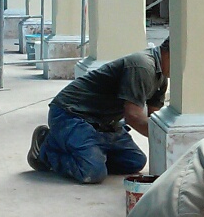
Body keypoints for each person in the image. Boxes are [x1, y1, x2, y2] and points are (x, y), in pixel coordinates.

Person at [27, 39, 170, 183]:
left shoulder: (161, 77)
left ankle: (90, 151)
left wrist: (165, 140)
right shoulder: (142, 66)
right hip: (71, 114)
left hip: (104, 124)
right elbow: (133, 116)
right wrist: (167, 140)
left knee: (134, 161)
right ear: (173, 54)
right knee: (92, 172)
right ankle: (46, 147)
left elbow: (155, 119)